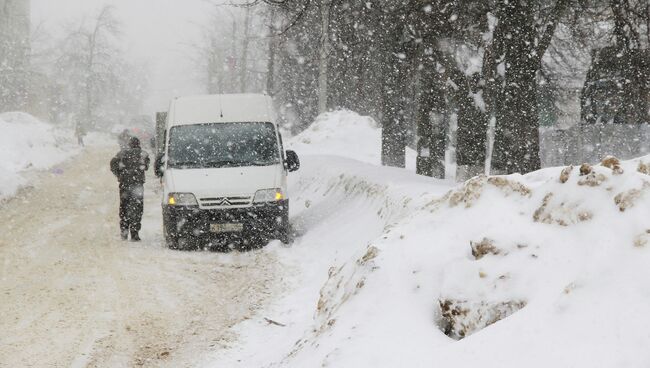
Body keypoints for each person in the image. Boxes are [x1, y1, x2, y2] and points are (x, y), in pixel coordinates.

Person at [110, 137, 150, 241]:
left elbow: (113, 163)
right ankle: (134, 233)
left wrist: (119, 174)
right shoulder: (143, 154)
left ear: (129, 144)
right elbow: (146, 166)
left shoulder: (121, 154)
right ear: (138, 144)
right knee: (137, 208)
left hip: (125, 185)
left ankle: (124, 231)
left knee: (124, 207)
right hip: (138, 186)